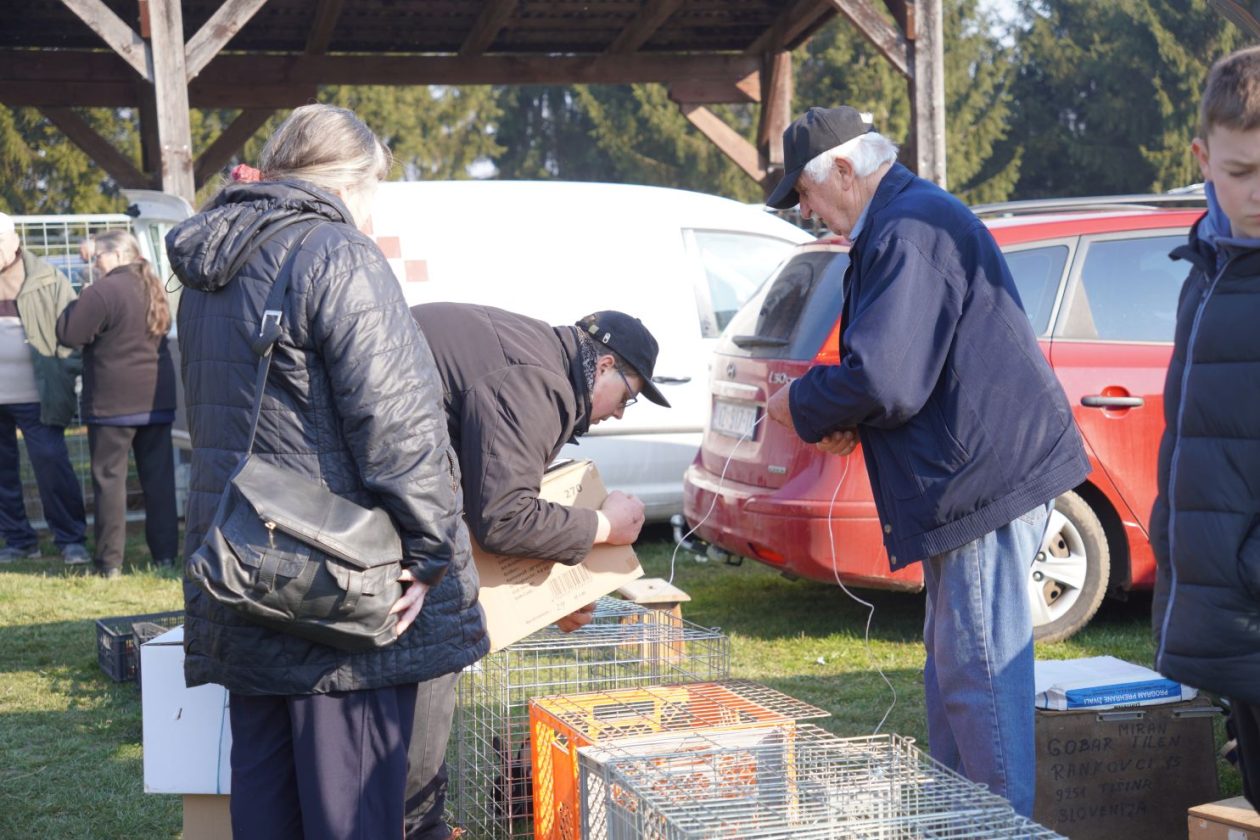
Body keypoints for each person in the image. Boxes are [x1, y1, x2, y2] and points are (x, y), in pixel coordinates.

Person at [165, 104, 487, 839]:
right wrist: (433, 552)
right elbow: (401, 426)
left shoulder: (213, 264)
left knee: (267, 802)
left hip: (242, 568)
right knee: (353, 812)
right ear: (352, 180)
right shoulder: (338, 253)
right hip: (334, 591)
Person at [763, 106, 1090, 816]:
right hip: (967, 481)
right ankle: (962, 820)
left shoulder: (907, 228)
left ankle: (999, 827)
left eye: (808, 194)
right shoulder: (901, 220)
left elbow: (887, 379)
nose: (808, 211)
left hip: (981, 485)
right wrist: (848, 416)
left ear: (844, 170)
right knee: (953, 677)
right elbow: (899, 375)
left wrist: (805, 404)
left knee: (977, 679)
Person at [403, 302, 664, 839]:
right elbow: (503, 518)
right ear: (605, 367)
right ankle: (416, 823)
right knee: (438, 641)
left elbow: (483, 503)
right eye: (629, 397)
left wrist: (563, 595)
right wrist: (602, 526)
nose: (619, 413)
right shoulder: (538, 384)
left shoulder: (538, 362)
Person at [1152, 45, 1260, 811]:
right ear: (1203, 158)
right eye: (1241, 172)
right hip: (1230, 618)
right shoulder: (1206, 271)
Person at [56, 230, 178, 578]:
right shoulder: (152, 286)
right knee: (159, 482)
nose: (94, 263)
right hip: (156, 400)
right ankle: (166, 556)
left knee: (110, 482)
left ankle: (110, 562)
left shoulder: (102, 291)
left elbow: (68, 334)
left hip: (113, 404)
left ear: (113, 256)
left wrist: (79, 296)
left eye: (97, 257)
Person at [0, 213, 89, 565]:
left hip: (38, 396)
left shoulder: (47, 279)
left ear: (12, 241)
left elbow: (72, 334)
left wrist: (64, 375)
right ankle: (20, 541)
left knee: (52, 465)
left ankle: (71, 540)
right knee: (2, 474)